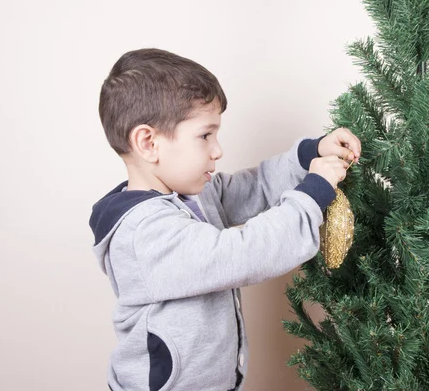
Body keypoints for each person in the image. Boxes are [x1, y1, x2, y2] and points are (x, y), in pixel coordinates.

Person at [89, 48, 361, 391]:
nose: (217, 150)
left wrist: (309, 155)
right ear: (148, 142)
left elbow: (256, 187)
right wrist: (313, 193)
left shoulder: (192, 194)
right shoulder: (145, 232)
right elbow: (242, 253)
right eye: (205, 135)